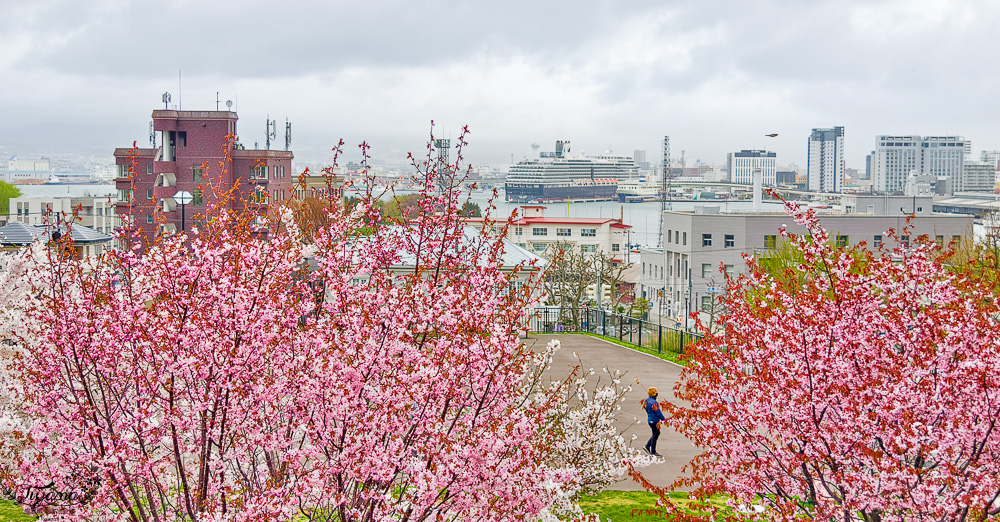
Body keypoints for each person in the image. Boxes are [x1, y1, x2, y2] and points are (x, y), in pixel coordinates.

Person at [643, 386, 666, 458]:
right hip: (655, 420)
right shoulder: (654, 403)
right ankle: (652, 451)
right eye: (656, 392)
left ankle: (648, 446)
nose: (657, 393)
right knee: (655, 434)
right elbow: (658, 412)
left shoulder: (646, 401)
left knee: (656, 433)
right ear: (653, 394)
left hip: (650, 420)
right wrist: (664, 419)